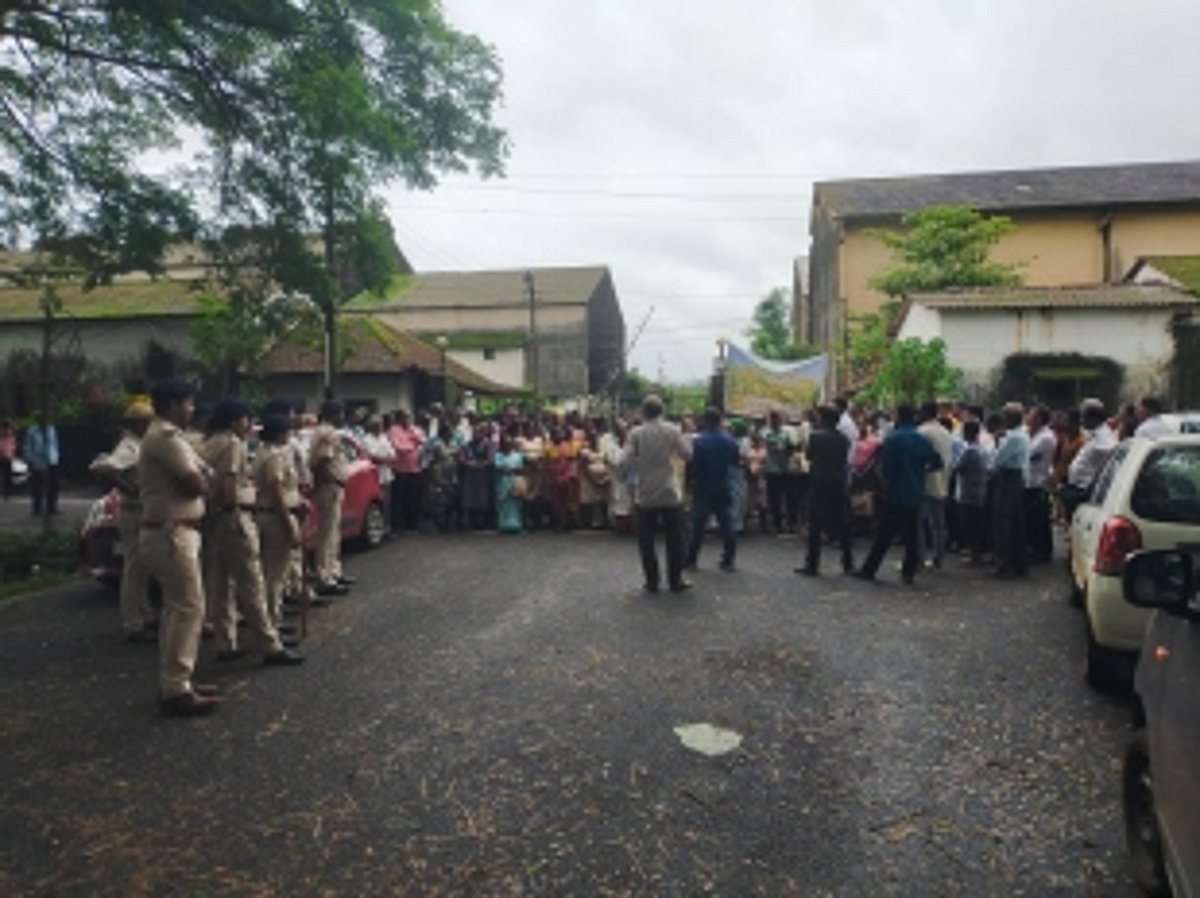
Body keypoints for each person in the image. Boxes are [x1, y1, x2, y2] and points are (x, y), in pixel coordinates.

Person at [200, 397, 303, 666]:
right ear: (236, 420)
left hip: (215, 518)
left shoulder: (209, 443)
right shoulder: (233, 444)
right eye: (246, 419)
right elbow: (229, 485)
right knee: (251, 581)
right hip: (235, 515)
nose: (248, 424)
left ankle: (226, 641)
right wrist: (239, 504)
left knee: (221, 582)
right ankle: (270, 644)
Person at [138, 380, 218, 715]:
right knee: (188, 607)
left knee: (177, 610)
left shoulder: (168, 436)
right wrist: (205, 480)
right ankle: (176, 689)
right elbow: (195, 482)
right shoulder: (166, 438)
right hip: (171, 533)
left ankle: (176, 680)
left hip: (172, 532)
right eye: (188, 403)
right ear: (172, 404)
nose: (193, 409)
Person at [89, 400, 156, 642]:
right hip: (133, 509)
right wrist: (129, 488)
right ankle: (133, 622)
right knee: (134, 567)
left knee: (143, 566)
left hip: (142, 509)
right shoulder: (128, 446)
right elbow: (106, 468)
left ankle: (145, 612)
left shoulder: (141, 444)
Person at [855, 404, 943, 585]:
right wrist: (921, 472)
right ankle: (908, 572)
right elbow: (936, 462)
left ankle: (869, 569)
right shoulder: (921, 439)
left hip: (896, 492)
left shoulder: (893, 439)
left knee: (885, 534)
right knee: (912, 534)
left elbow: (887, 470)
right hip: (915, 491)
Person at [626, 395, 692, 593]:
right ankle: (675, 580)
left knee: (646, 540)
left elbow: (625, 459)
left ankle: (652, 581)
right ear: (662, 411)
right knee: (675, 538)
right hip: (670, 491)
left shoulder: (635, 433)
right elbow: (687, 454)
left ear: (643, 412)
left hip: (645, 493)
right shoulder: (672, 430)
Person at [255, 414, 305, 636]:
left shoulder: (261, 452)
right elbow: (276, 492)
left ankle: (273, 618)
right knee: (275, 574)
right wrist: (289, 526)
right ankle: (272, 622)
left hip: (268, 514)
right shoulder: (274, 455)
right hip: (277, 516)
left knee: (271, 573)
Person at [798, 405, 853, 576]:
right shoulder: (844, 439)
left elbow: (808, 456)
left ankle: (813, 563)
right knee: (843, 523)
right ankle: (848, 561)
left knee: (815, 524)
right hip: (838, 482)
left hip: (819, 482)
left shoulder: (816, 436)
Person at [685, 408, 739, 572]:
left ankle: (691, 558)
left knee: (698, 525)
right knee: (726, 522)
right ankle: (729, 557)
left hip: (703, 486)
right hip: (723, 483)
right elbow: (735, 461)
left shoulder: (700, 441)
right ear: (720, 420)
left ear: (705, 421)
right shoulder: (729, 440)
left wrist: (690, 484)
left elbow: (694, 466)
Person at [309, 399, 352, 597]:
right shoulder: (328, 433)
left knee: (333, 532)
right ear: (332, 414)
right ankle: (324, 576)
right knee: (326, 533)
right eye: (340, 413)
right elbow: (322, 461)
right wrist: (318, 483)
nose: (343, 417)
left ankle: (333, 572)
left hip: (333, 485)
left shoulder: (324, 432)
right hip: (329, 485)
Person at [991, 406, 1031, 578]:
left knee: (1004, 522)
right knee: (1016, 522)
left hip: (1009, 477)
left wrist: (997, 442)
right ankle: (1018, 563)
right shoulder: (1022, 435)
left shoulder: (1013, 437)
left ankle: (1004, 563)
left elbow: (998, 459)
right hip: (1016, 477)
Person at [917, 402, 953, 569]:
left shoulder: (922, 432)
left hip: (925, 481)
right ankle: (939, 556)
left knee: (919, 522)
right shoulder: (945, 432)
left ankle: (919, 557)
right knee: (939, 522)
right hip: (943, 480)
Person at [1024, 405, 1056, 563]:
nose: (1027, 417)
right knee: (1031, 518)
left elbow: (1028, 454)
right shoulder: (1032, 434)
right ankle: (1034, 548)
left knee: (1040, 518)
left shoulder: (1046, 438)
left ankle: (1043, 551)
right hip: (1029, 481)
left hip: (1038, 482)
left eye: (1030, 414)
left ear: (1039, 419)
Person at [954, 419, 989, 565]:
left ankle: (975, 556)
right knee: (977, 523)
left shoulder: (969, 451)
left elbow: (958, 467)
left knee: (970, 525)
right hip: (980, 489)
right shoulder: (982, 449)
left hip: (969, 491)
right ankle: (976, 552)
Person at [387, 410, 425, 531]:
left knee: (414, 498)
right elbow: (398, 447)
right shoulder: (393, 430)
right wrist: (413, 445)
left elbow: (423, 441)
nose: (408, 420)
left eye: (409, 417)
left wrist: (412, 436)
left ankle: (413, 524)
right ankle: (398, 525)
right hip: (400, 470)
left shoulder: (415, 429)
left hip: (415, 469)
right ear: (399, 419)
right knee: (399, 499)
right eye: (406, 417)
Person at [22, 413, 59, 516]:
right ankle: (37, 507)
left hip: (51, 460)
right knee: (37, 486)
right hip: (37, 462)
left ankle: (51, 507)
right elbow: (28, 446)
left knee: (53, 485)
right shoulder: (32, 431)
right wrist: (30, 460)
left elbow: (55, 443)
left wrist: (56, 456)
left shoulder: (51, 429)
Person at [762, 411, 793, 534]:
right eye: (772, 419)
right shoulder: (765, 433)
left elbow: (791, 448)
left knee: (784, 497)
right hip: (773, 469)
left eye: (776, 419)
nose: (774, 422)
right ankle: (777, 523)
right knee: (775, 498)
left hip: (784, 468)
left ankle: (785, 522)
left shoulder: (786, 433)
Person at [362, 415, 396, 528]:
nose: (379, 427)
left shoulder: (384, 437)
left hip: (386, 475)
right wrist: (384, 459)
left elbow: (393, 455)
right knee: (376, 504)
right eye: (376, 425)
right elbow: (371, 457)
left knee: (387, 503)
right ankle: (377, 528)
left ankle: (387, 527)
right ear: (371, 426)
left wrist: (385, 459)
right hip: (374, 476)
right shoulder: (366, 439)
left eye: (380, 425)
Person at [493, 433, 525, 534]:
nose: (507, 445)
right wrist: (509, 468)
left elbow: (520, 468)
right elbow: (497, 466)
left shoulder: (517, 456)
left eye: (509, 443)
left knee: (515, 503)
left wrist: (509, 468)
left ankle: (516, 525)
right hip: (502, 481)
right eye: (505, 443)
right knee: (502, 503)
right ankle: (503, 526)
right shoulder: (498, 455)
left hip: (514, 481)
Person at [0, 418, 16, 500]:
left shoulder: (10, 436)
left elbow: (13, 446)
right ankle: (6, 492)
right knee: (6, 476)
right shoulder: (6, 436)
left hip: (7, 456)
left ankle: (7, 493)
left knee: (7, 476)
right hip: (4, 456)